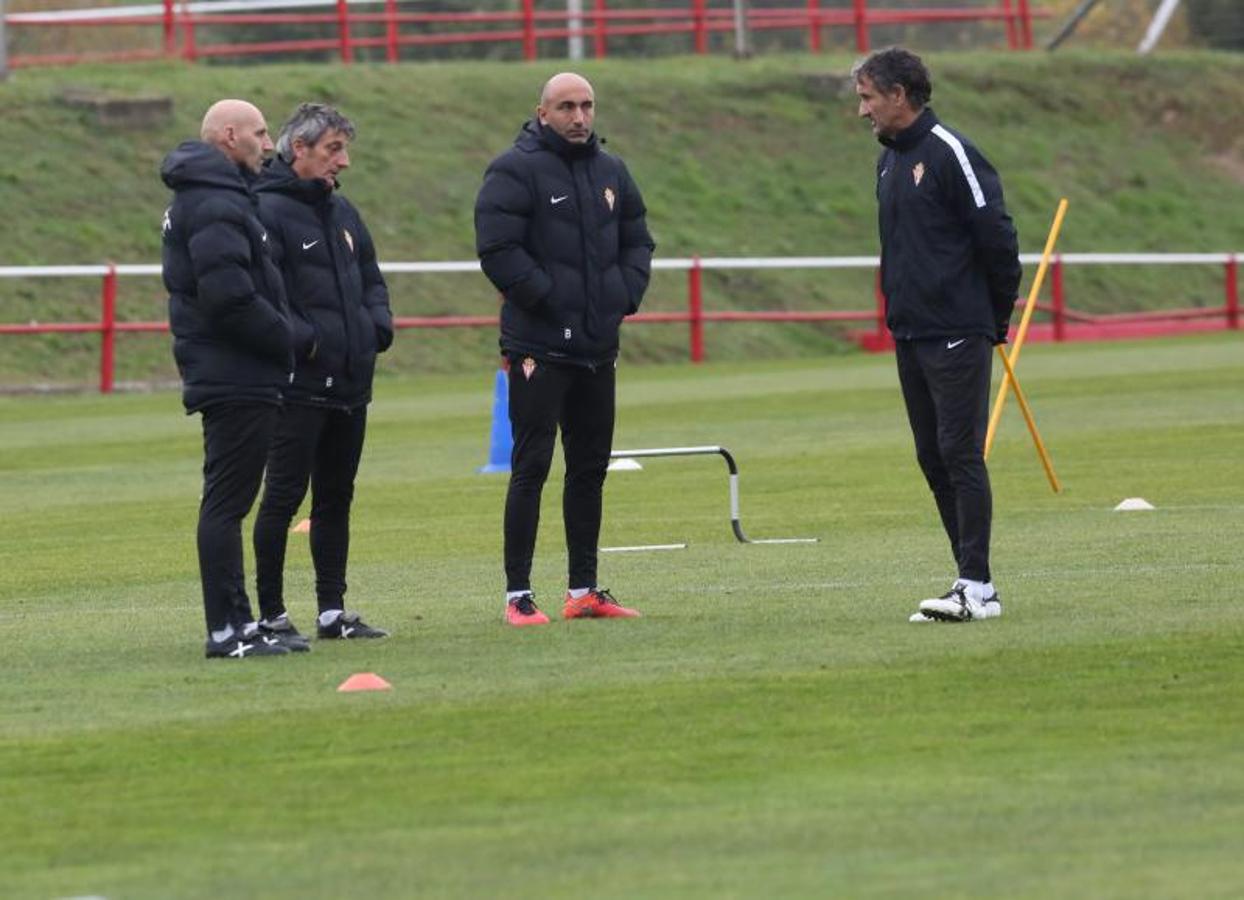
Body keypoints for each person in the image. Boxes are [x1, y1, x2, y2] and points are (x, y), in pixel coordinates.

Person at [474, 72, 655, 627]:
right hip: (539, 345)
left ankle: (583, 590)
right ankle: (518, 596)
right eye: (567, 107)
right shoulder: (514, 169)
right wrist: (551, 300)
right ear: (542, 111)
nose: (579, 117)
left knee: (590, 469)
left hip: (598, 346)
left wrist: (622, 296)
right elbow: (497, 248)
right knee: (530, 466)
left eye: (587, 106)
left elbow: (637, 238)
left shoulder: (611, 171)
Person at [852, 48, 1021, 623]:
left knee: (959, 452)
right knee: (932, 457)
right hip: (912, 331)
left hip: (958, 330)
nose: (862, 110)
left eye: (868, 97)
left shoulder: (951, 151)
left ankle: (975, 584)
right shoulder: (888, 161)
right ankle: (976, 584)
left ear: (899, 95)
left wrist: (991, 319)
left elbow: (997, 237)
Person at [161, 99, 307, 658]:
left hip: (232, 369)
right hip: (234, 372)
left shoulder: (212, 197)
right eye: (261, 133)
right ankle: (227, 630)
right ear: (229, 136)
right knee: (226, 504)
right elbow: (229, 298)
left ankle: (241, 624)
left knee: (229, 501)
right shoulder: (215, 203)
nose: (269, 145)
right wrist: (290, 338)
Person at [250, 103, 393, 643]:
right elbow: (268, 298)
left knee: (336, 497)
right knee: (283, 499)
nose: (345, 161)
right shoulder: (266, 213)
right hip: (299, 386)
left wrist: (376, 327)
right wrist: (307, 344)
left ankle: (332, 612)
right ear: (299, 149)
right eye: (334, 149)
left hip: (352, 382)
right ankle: (271, 615)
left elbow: (372, 280)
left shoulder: (344, 213)